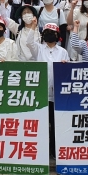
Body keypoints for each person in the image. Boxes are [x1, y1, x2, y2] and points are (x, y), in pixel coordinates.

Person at [25, 20, 68, 159]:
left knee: (55, 124)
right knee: (42, 124)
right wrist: (33, 27)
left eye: (52, 33)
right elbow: (29, 42)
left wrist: (65, 65)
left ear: (58, 35)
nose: (49, 35)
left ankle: (55, 151)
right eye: (47, 33)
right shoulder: (38, 49)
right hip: (41, 93)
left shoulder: (63, 51)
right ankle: (42, 151)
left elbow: (66, 72)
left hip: (57, 95)